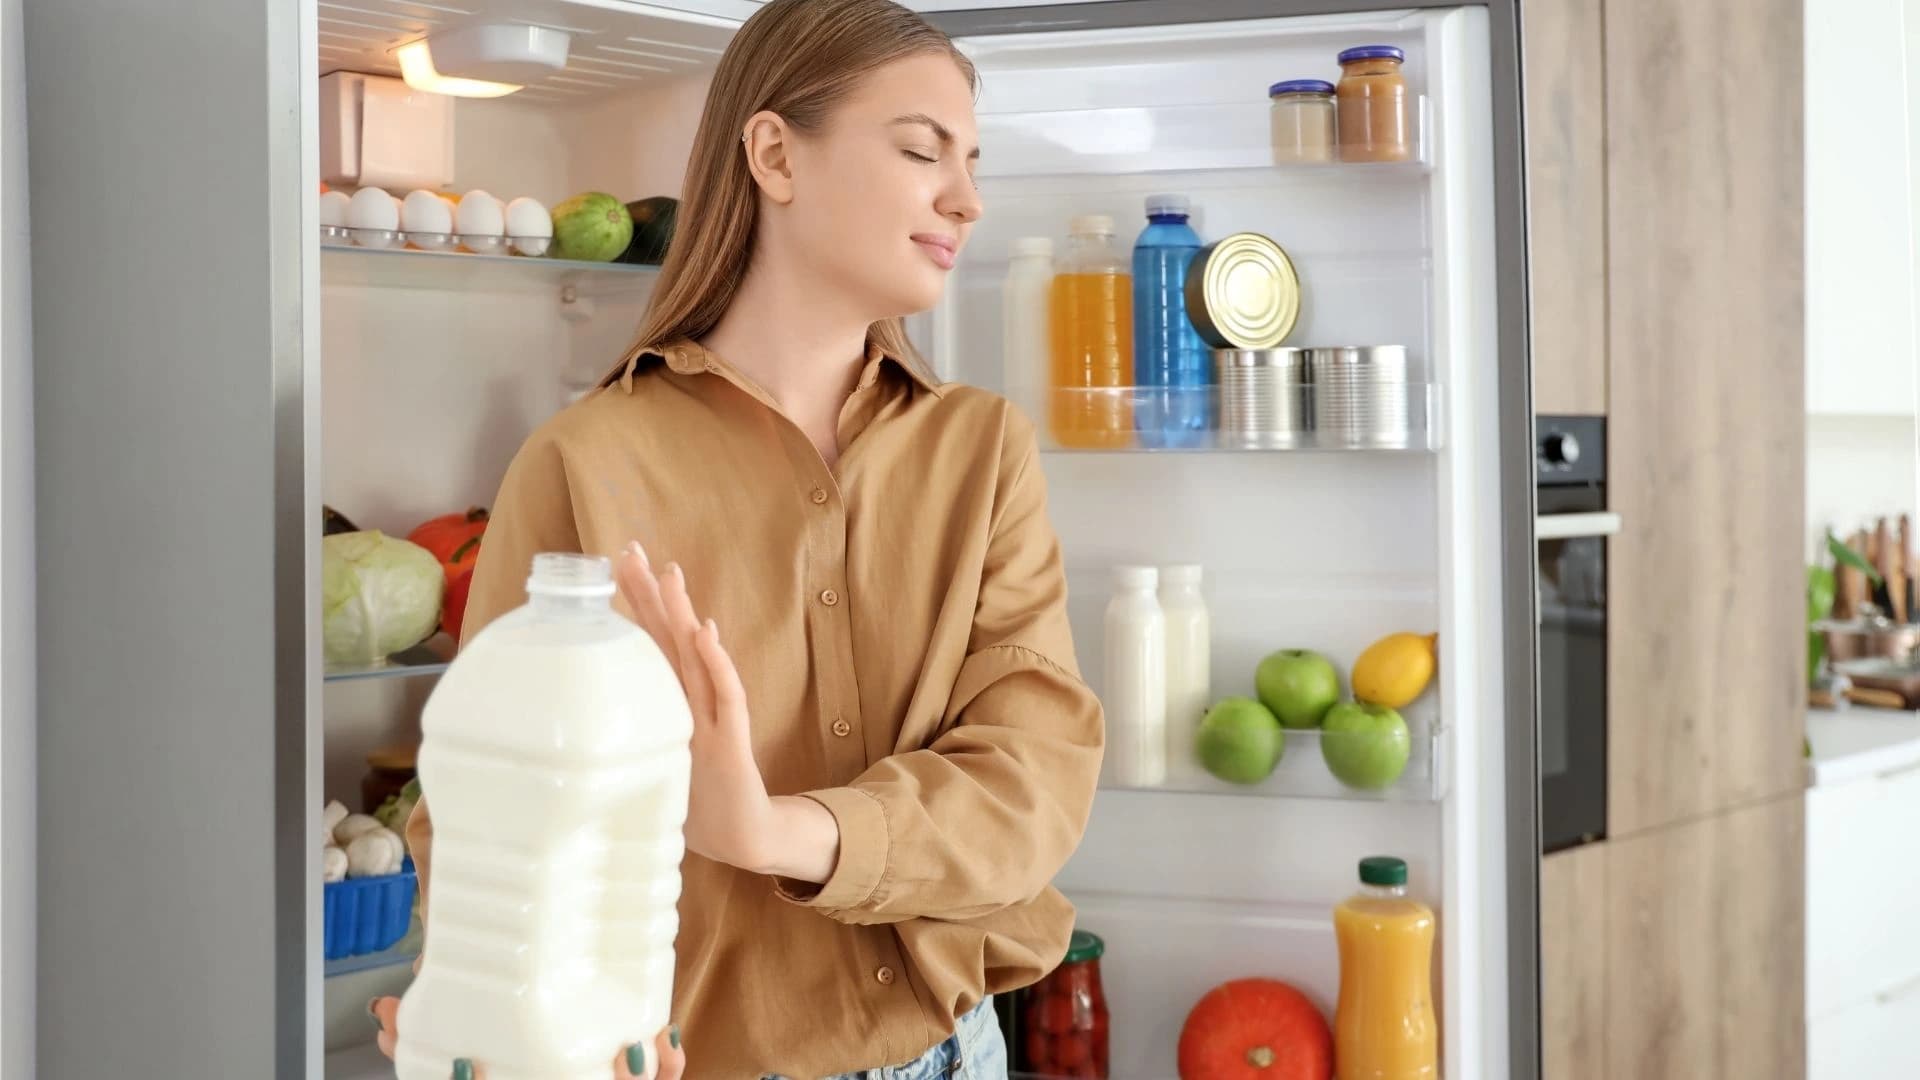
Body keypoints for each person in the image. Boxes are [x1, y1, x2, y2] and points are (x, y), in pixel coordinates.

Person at [371, 1, 1105, 1076]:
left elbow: (1031, 784)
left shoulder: (982, 451)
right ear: (774, 154)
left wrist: (771, 830)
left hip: (958, 1052)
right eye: (920, 151)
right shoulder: (586, 462)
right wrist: (504, 1007)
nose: (968, 198)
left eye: (972, 161)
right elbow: (492, 805)